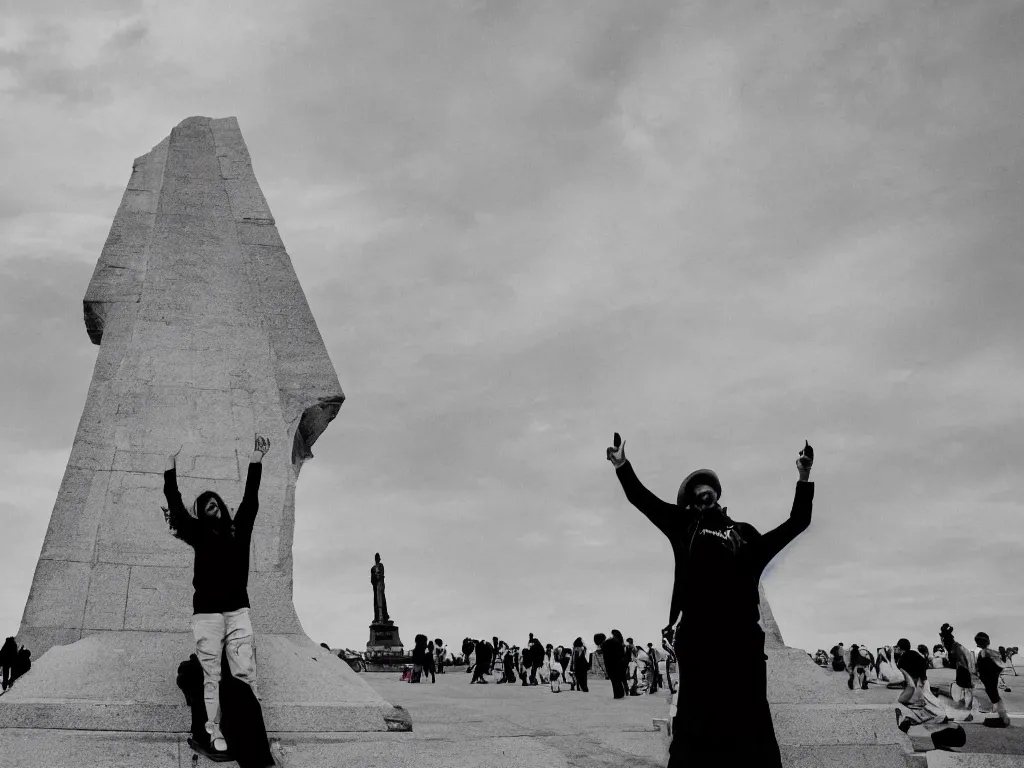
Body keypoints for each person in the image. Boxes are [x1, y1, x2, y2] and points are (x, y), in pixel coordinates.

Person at [608, 432, 815, 767]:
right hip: (700, 641)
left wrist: (804, 478)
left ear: (718, 494)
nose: (704, 495)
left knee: (752, 726)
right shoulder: (685, 526)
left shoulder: (745, 533)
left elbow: (798, 523)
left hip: (743, 644)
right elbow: (643, 500)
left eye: (709, 489)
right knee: (694, 725)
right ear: (690, 502)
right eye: (696, 493)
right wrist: (622, 465)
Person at [162, 434, 270, 760]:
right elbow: (177, 508)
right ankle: (215, 731)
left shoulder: (240, 530)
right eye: (205, 504)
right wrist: (170, 466)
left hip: (237, 610)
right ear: (203, 514)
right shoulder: (199, 533)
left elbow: (251, 499)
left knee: (246, 675)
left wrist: (256, 459)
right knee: (213, 675)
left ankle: (247, 731)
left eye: (214, 501)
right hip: (207, 613)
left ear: (222, 506)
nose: (211, 504)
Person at [975, 632, 1010, 728]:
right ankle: (1003, 718)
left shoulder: (978, 652)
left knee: (993, 696)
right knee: (995, 696)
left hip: (984, 677)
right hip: (991, 676)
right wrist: (1003, 655)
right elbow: (1001, 665)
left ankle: (1002, 718)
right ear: (988, 642)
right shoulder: (988, 652)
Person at [939, 623, 975, 718]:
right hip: (963, 670)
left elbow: (962, 663)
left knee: (966, 691)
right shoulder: (956, 646)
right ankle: (966, 711)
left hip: (964, 670)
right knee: (964, 691)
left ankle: (968, 712)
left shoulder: (955, 648)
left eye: (942, 640)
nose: (942, 643)